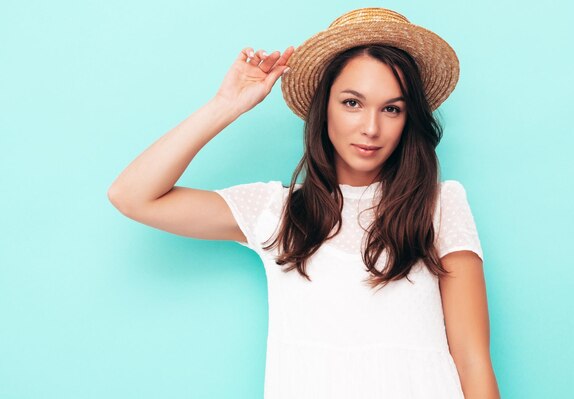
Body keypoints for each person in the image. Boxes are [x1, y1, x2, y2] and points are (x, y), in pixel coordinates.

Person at [108, 7, 500, 399]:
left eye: (392, 109)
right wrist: (226, 104)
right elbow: (131, 196)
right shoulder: (274, 212)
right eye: (352, 103)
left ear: (408, 119)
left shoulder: (440, 204)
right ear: (323, 105)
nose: (371, 127)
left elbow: (472, 359)